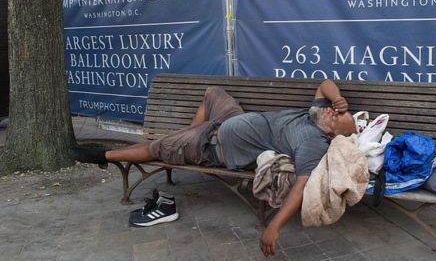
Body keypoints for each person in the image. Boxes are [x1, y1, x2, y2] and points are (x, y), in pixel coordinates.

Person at [72, 79, 356, 257]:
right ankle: (186, 137)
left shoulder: (312, 142)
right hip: (229, 120)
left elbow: (301, 186)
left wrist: (274, 226)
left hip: (213, 146)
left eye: (337, 117)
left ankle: (104, 155)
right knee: (213, 92)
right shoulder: (315, 114)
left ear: (329, 135)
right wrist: (337, 96)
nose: (334, 111)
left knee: (155, 148)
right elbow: (325, 83)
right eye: (338, 110)